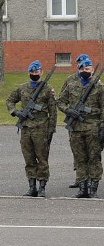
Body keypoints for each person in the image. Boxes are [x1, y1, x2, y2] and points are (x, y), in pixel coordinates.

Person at [58, 58, 104, 198]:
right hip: (76, 128)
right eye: (82, 69)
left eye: (87, 69)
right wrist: (68, 111)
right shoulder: (72, 85)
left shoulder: (100, 87)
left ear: (92, 70)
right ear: (79, 70)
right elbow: (60, 102)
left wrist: (103, 127)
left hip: (93, 127)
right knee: (80, 158)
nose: (85, 71)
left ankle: (93, 188)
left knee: (94, 158)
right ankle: (82, 187)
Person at [7, 60, 57, 197]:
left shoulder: (47, 89)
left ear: (41, 72)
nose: (34, 74)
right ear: (28, 72)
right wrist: (16, 112)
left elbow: (53, 111)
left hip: (41, 128)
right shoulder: (22, 88)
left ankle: (42, 187)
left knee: (42, 158)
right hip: (25, 129)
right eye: (32, 71)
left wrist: (51, 130)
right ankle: (32, 187)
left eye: (37, 71)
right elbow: (10, 100)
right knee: (28, 158)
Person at [62, 53, 90, 190]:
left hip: (90, 123)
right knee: (77, 151)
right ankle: (79, 178)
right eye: (80, 63)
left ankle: (90, 178)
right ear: (77, 65)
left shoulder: (93, 81)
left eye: (85, 64)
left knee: (91, 152)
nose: (83, 66)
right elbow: (61, 100)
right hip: (74, 123)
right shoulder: (70, 80)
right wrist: (68, 111)